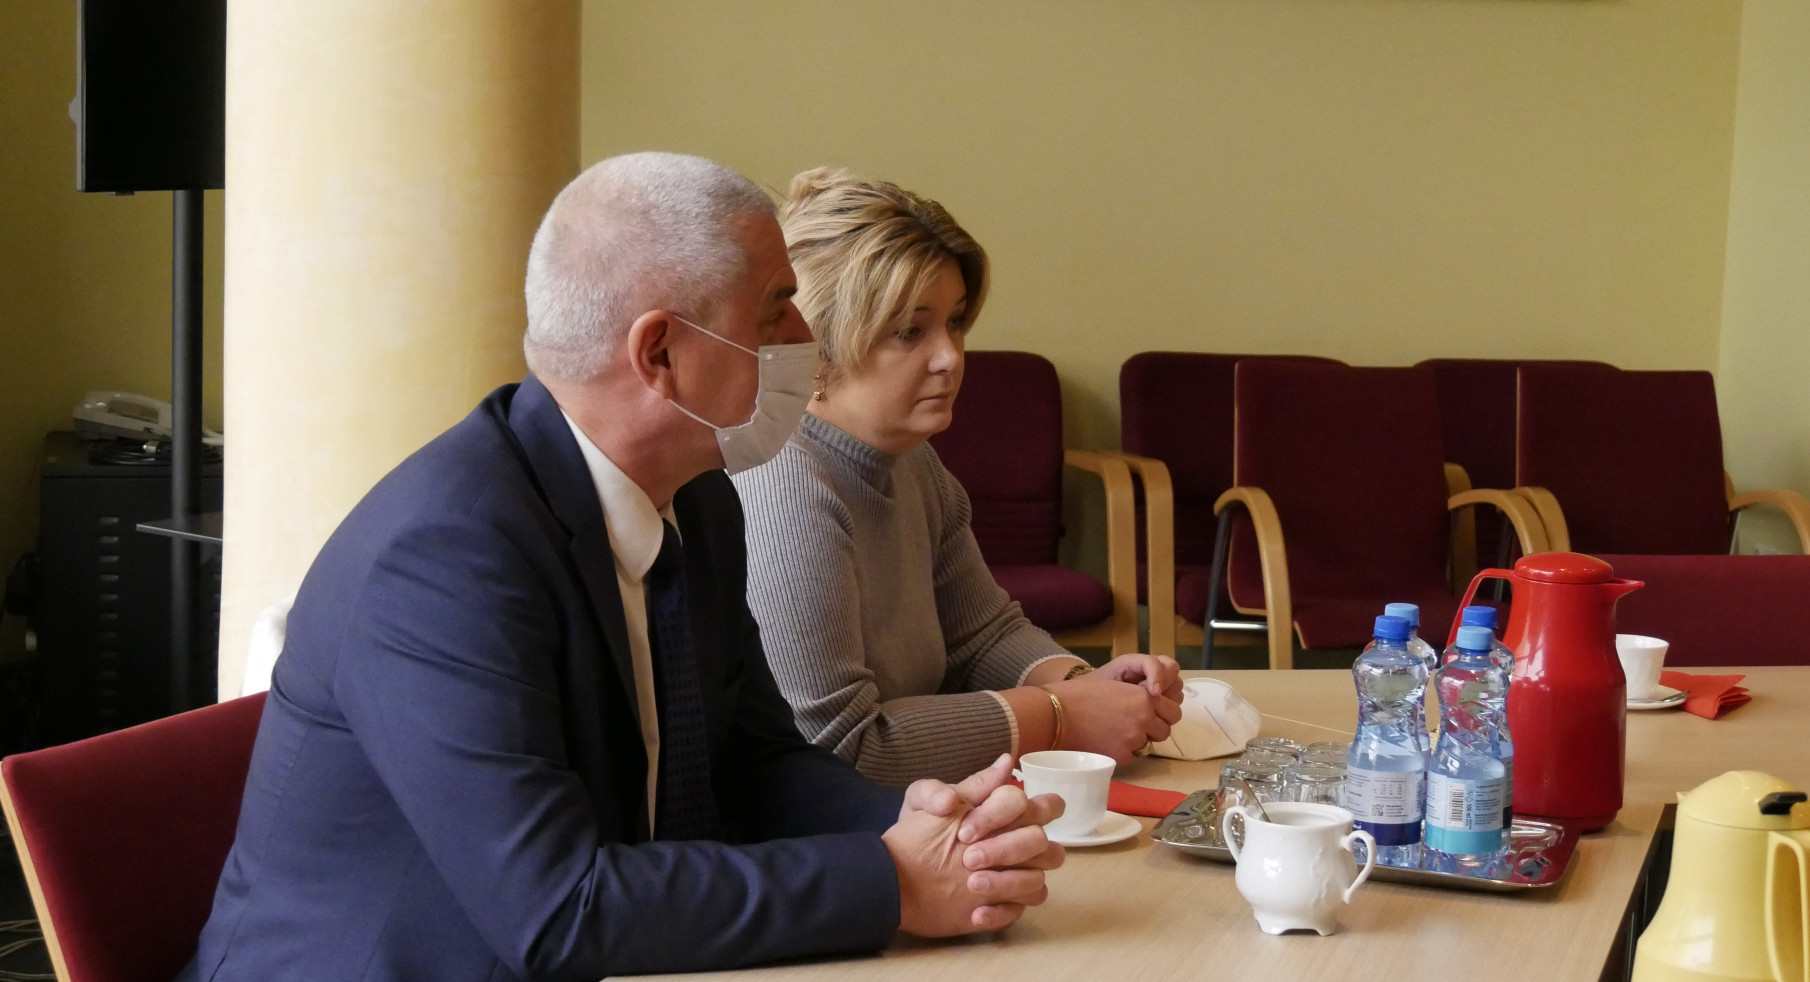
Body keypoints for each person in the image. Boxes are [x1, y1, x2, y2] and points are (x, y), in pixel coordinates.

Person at [178, 153, 1065, 982]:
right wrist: (889, 882)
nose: (807, 336)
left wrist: (925, 826)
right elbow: (556, 909)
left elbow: (754, 761)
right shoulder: (446, 556)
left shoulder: (701, 497)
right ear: (660, 355)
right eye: (776, 311)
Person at [731, 168, 1183, 788]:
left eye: (957, 322)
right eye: (910, 332)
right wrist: (1061, 716)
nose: (950, 357)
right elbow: (836, 751)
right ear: (818, 346)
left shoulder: (914, 461)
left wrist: (1086, 684)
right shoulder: (780, 482)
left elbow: (982, 636)